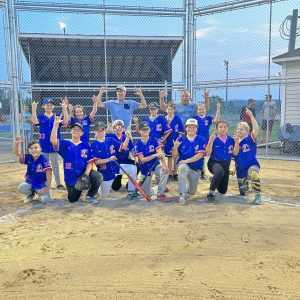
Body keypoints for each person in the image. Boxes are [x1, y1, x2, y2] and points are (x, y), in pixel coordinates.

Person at [50, 119, 102, 204]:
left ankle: (90, 195)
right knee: (72, 199)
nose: (75, 131)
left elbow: (90, 162)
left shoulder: (86, 145)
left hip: (83, 173)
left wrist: (86, 173)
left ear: (82, 133)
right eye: (74, 129)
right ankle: (81, 190)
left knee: (98, 176)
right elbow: (53, 141)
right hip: (71, 178)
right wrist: (55, 125)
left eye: (78, 130)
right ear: (71, 131)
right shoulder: (65, 144)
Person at [91, 121, 137, 199]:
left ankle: (131, 191)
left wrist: (128, 138)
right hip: (106, 172)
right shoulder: (94, 145)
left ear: (105, 131)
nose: (100, 132)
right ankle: (99, 187)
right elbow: (96, 162)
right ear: (95, 132)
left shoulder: (110, 140)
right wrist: (109, 159)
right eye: (98, 130)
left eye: (102, 130)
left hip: (116, 168)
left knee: (133, 168)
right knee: (104, 195)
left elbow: (123, 147)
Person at [31, 97, 68, 190]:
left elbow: (66, 121)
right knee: (44, 165)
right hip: (43, 145)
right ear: (44, 106)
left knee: (55, 164)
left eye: (51, 105)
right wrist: (34, 109)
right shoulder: (41, 117)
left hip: (54, 145)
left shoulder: (56, 117)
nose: (49, 107)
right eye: (47, 105)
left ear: (53, 106)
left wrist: (64, 108)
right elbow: (35, 121)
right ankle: (44, 183)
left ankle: (58, 183)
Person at [133, 121, 170, 202]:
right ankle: (158, 188)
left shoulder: (154, 140)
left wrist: (164, 165)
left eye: (147, 129)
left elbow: (160, 154)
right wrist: (155, 155)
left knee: (164, 171)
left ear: (149, 130)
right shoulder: (137, 144)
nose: (145, 131)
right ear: (139, 131)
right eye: (143, 129)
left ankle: (160, 194)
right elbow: (142, 159)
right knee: (147, 193)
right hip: (145, 170)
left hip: (155, 166)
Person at [172, 118, 206, 205]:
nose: (191, 129)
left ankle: (186, 187)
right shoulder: (180, 139)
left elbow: (200, 155)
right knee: (182, 168)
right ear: (186, 128)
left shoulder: (201, 139)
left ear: (196, 129)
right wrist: (175, 147)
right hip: (184, 166)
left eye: (193, 127)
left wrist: (185, 161)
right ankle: (182, 195)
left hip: (196, 169)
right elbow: (175, 157)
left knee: (191, 192)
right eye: (189, 127)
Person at [205, 120, 239, 203]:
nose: (223, 129)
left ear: (228, 129)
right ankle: (210, 193)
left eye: (225, 127)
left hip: (225, 165)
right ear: (217, 129)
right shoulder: (214, 139)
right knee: (219, 172)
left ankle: (213, 179)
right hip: (214, 163)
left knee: (222, 191)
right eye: (220, 127)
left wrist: (237, 141)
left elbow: (235, 153)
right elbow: (208, 153)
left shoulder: (232, 139)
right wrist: (210, 141)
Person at [13, 136, 52, 204]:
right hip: (30, 182)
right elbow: (16, 153)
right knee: (22, 187)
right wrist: (16, 144)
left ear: (40, 149)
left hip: (40, 184)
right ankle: (30, 194)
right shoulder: (29, 157)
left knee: (45, 200)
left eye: (36, 148)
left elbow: (49, 173)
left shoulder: (43, 158)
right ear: (28, 150)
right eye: (31, 148)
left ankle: (39, 193)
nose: (34, 150)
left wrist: (47, 188)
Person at [235, 109, 261, 204]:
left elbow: (256, 129)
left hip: (251, 165)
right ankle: (246, 186)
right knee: (243, 192)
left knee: (253, 173)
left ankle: (257, 195)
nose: (239, 130)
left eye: (241, 129)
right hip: (240, 169)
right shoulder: (235, 142)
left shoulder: (250, 139)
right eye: (238, 129)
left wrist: (251, 116)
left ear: (247, 132)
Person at [106, 119, 137, 192]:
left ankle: (130, 186)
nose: (119, 128)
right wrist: (107, 130)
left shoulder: (126, 136)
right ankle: (116, 180)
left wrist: (136, 157)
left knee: (136, 165)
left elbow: (132, 149)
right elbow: (100, 136)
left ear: (123, 128)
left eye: (121, 127)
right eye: (117, 127)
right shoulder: (110, 136)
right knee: (116, 187)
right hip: (115, 164)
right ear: (113, 129)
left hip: (125, 161)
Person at [193, 102, 220, 179]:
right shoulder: (194, 118)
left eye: (203, 109)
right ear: (197, 110)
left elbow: (216, 121)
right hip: (197, 140)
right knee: (198, 155)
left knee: (206, 155)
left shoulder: (207, 118)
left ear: (205, 110)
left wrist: (218, 109)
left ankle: (207, 171)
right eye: (199, 109)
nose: (201, 111)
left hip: (206, 140)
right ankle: (199, 171)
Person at [164, 102, 184, 181]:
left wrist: (178, 140)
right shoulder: (164, 119)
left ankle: (175, 173)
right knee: (169, 158)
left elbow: (181, 130)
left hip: (175, 140)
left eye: (171, 109)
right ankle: (169, 173)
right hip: (167, 141)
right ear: (166, 110)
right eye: (168, 109)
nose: (170, 111)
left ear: (174, 110)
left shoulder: (177, 118)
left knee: (175, 157)